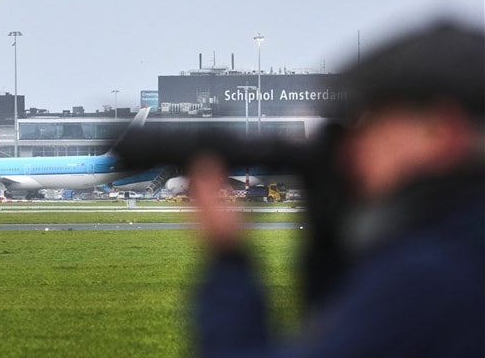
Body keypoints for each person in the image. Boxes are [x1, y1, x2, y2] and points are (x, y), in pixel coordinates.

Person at [190, 20, 485, 358]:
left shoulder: (430, 275)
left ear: (440, 132)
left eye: (370, 123)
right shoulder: (461, 247)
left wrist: (228, 259)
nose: (350, 149)